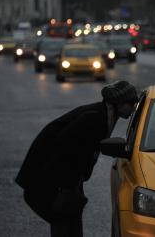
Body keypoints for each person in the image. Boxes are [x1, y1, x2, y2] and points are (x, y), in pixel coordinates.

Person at [15, 81, 139, 237]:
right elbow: (64, 144)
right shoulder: (95, 118)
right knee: (64, 217)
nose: (133, 107)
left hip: (62, 175)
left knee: (67, 216)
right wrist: (69, 184)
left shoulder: (103, 114)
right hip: (51, 174)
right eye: (131, 103)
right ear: (119, 103)